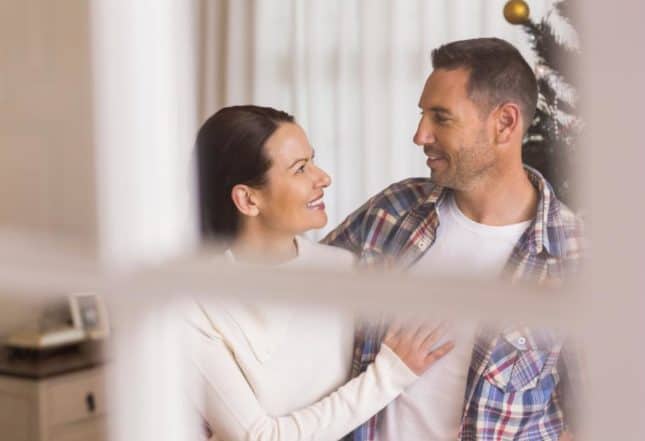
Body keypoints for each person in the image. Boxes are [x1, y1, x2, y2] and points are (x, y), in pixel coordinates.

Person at [324, 38, 584, 440]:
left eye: (441, 118)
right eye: (422, 116)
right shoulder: (392, 212)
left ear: (505, 123)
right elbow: (294, 312)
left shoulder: (578, 257)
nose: (420, 135)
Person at [182, 105, 454, 441]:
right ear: (248, 199)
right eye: (300, 169)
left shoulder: (342, 270)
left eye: (312, 160)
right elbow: (259, 437)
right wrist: (391, 374)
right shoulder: (192, 303)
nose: (323, 177)